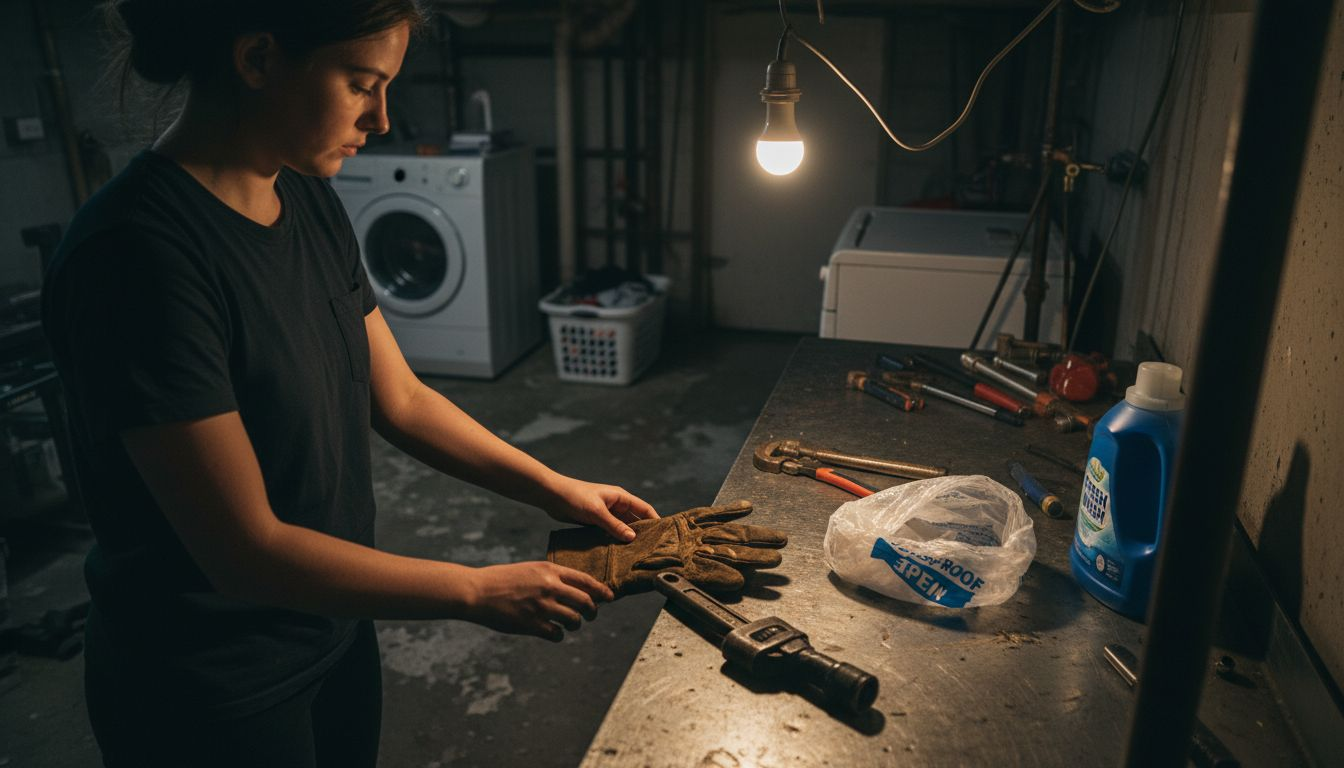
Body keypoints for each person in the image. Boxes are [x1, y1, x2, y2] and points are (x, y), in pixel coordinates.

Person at [40, 2, 658, 765]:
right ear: (260, 59)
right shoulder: (138, 257)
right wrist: (474, 591)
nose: (382, 118)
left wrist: (555, 487)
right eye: (362, 83)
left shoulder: (304, 197)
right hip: (211, 687)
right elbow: (246, 551)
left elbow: (398, 398)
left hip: (329, 627)